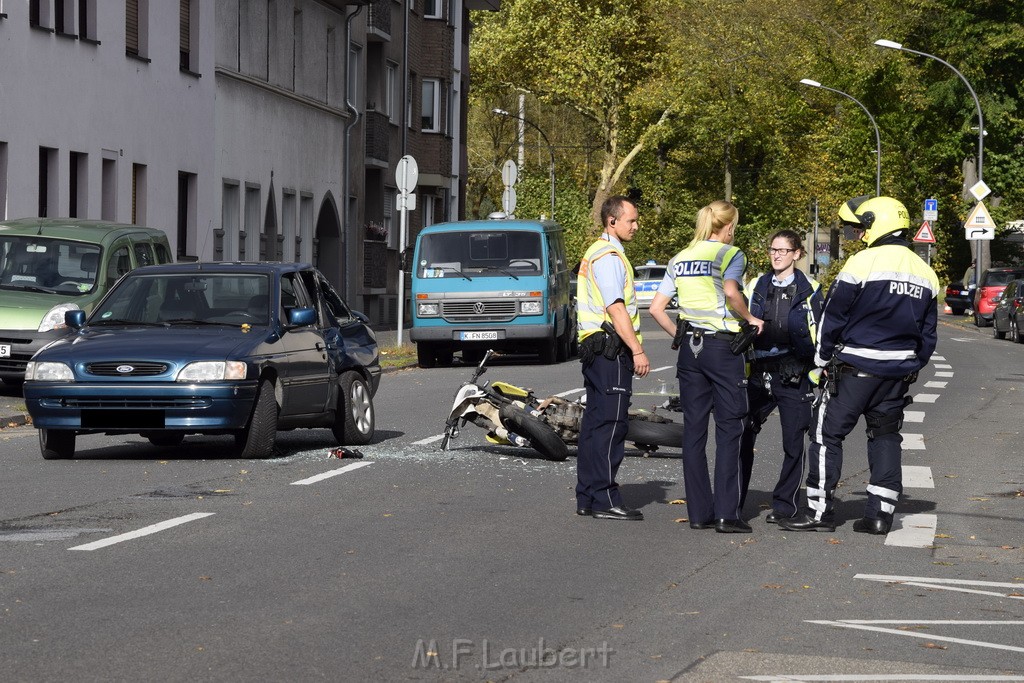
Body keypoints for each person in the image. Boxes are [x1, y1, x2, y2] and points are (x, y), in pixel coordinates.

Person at [779, 196, 939, 535]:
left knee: (825, 434)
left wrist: (821, 361)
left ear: (877, 223)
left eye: (862, 226)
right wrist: (910, 365)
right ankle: (879, 516)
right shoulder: (926, 273)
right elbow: (928, 335)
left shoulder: (862, 263)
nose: (860, 233)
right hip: (897, 375)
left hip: (854, 369)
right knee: (885, 436)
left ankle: (819, 512)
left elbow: (833, 317)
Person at [650, 200, 764, 533]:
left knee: (694, 432)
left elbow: (658, 309)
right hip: (722, 348)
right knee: (731, 429)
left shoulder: (679, 258)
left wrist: (681, 338)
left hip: (691, 350)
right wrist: (751, 318)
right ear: (728, 227)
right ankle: (728, 514)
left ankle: (699, 513)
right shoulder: (731, 254)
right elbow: (731, 292)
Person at [738, 230, 823, 524]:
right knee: (741, 435)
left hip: (793, 371)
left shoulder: (811, 288)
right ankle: (733, 501)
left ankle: (785, 506)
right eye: (773, 249)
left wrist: (817, 370)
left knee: (793, 442)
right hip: (759, 370)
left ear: (797, 254)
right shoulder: (755, 285)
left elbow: (821, 334)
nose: (776, 255)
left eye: (783, 250)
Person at [575, 195, 650, 521]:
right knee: (610, 425)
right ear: (612, 222)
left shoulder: (596, 252)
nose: (636, 225)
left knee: (593, 425)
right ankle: (605, 498)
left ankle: (588, 496)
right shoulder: (608, 257)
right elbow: (615, 307)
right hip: (609, 351)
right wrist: (637, 349)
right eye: (631, 220)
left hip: (595, 349)